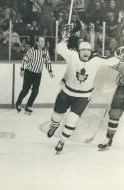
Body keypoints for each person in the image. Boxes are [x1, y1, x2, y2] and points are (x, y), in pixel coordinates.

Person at [47, 24, 124, 153]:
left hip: (82, 97)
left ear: (91, 52)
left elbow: (113, 61)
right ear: (79, 50)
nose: (86, 52)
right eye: (83, 50)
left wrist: (118, 57)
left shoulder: (96, 60)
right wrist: (64, 37)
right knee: (56, 116)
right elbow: (60, 48)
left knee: (72, 119)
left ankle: (61, 142)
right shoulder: (72, 55)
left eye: (88, 50)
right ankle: (54, 126)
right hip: (66, 93)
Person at [15, 36, 54, 114]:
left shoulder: (45, 52)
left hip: (38, 74)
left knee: (35, 91)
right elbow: (24, 60)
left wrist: (50, 71)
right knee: (26, 90)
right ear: (37, 42)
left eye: (44, 41)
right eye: (42, 41)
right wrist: (22, 69)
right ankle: (18, 103)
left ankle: (28, 106)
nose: (43, 43)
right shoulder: (32, 50)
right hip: (29, 73)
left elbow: (47, 62)